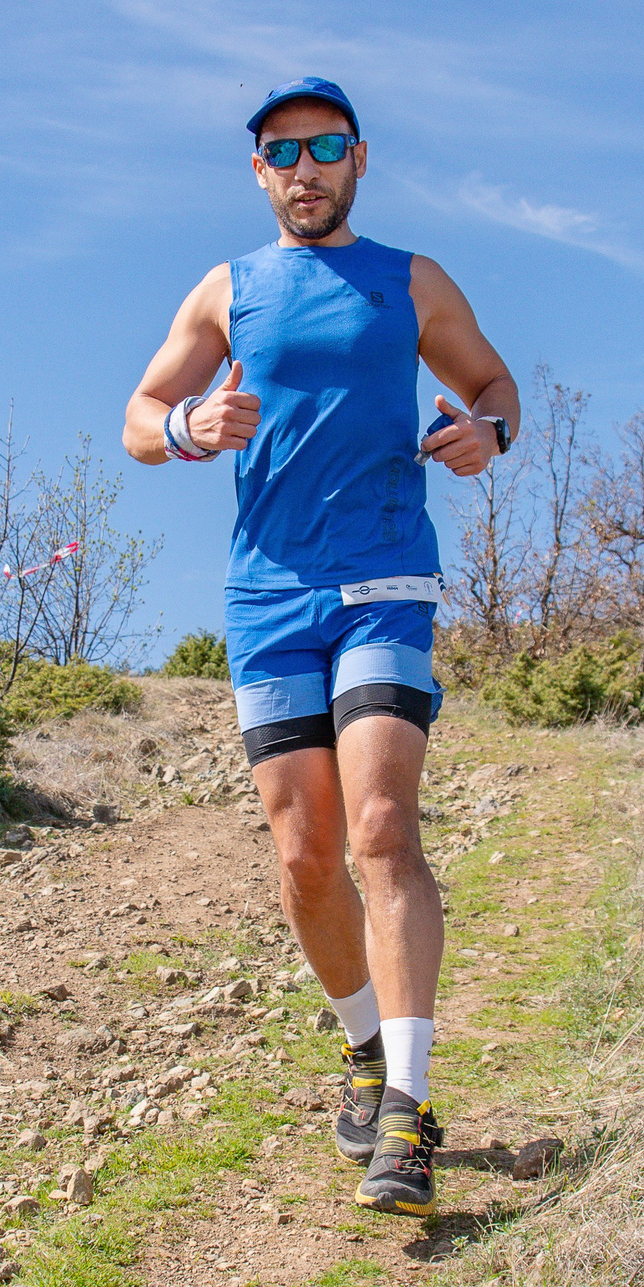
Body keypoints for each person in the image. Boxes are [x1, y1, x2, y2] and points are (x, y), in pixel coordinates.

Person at [121, 77, 518, 1216]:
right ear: (259, 171)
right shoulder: (228, 288)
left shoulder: (410, 279)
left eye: (326, 146)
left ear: (358, 160)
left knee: (383, 828)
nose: (305, 167)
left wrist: (483, 430)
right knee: (305, 852)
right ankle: (360, 1046)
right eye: (282, 151)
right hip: (267, 594)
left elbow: (492, 384)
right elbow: (140, 416)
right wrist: (191, 427)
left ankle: (408, 1101)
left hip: (385, 576)